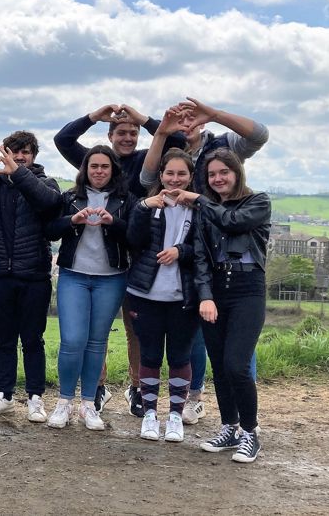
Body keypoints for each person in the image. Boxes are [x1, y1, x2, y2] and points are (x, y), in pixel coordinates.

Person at [136, 98, 270, 424]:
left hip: (240, 272)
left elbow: (259, 135)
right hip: (205, 268)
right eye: (181, 121)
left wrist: (215, 113)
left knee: (238, 357)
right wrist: (158, 130)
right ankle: (216, 413)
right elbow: (146, 180)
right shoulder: (171, 151)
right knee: (204, 345)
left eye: (193, 120)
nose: (187, 125)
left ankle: (243, 418)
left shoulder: (224, 146)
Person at [54, 104, 184, 416]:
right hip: (93, 260)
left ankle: (137, 387)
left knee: (133, 328)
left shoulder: (144, 160)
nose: (127, 137)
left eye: (133, 133)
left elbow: (176, 141)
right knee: (86, 331)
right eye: (121, 132)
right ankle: (95, 389)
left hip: (134, 255)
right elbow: (63, 140)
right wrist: (93, 117)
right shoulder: (96, 162)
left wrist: (142, 118)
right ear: (110, 136)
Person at [171, 148, 271, 463]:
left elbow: (232, 222)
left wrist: (200, 199)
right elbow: (200, 256)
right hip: (215, 291)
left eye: (223, 172)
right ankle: (229, 426)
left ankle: (250, 433)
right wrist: (205, 296)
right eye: (212, 175)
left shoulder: (258, 202)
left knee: (237, 366)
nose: (217, 179)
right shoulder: (207, 210)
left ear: (236, 172)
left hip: (247, 291)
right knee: (219, 367)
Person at [0, 131, 63, 422]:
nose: (20, 156)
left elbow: (49, 204)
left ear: (34, 156)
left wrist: (18, 175)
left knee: (33, 339)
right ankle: (5, 395)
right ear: (5, 153)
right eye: (14, 151)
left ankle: (36, 398)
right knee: (4, 339)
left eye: (25, 152)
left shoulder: (45, 184)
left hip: (34, 275)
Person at [44, 145, 132, 431]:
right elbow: (50, 230)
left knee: (97, 342)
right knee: (72, 340)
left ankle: (88, 404)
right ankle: (64, 402)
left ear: (112, 170)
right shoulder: (70, 197)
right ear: (85, 170)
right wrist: (73, 219)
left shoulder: (125, 199)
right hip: (74, 276)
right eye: (93, 166)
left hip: (111, 277)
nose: (98, 171)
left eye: (104, 167)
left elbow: (135, 236)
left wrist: (113, 222)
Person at [125, 144, 199, 443]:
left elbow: (206, 249)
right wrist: (144, 208)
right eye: (170, 173)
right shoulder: (146, 205)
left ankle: (175, 416)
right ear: (161, 175)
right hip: (145, 293)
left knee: (180, 356)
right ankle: (151, 413)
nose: (175, 179)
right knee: (151, 355)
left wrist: (181, 251)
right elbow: (133, 240)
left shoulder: (199, 207)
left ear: (190, 177)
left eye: (182, 174)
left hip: (183, 296)